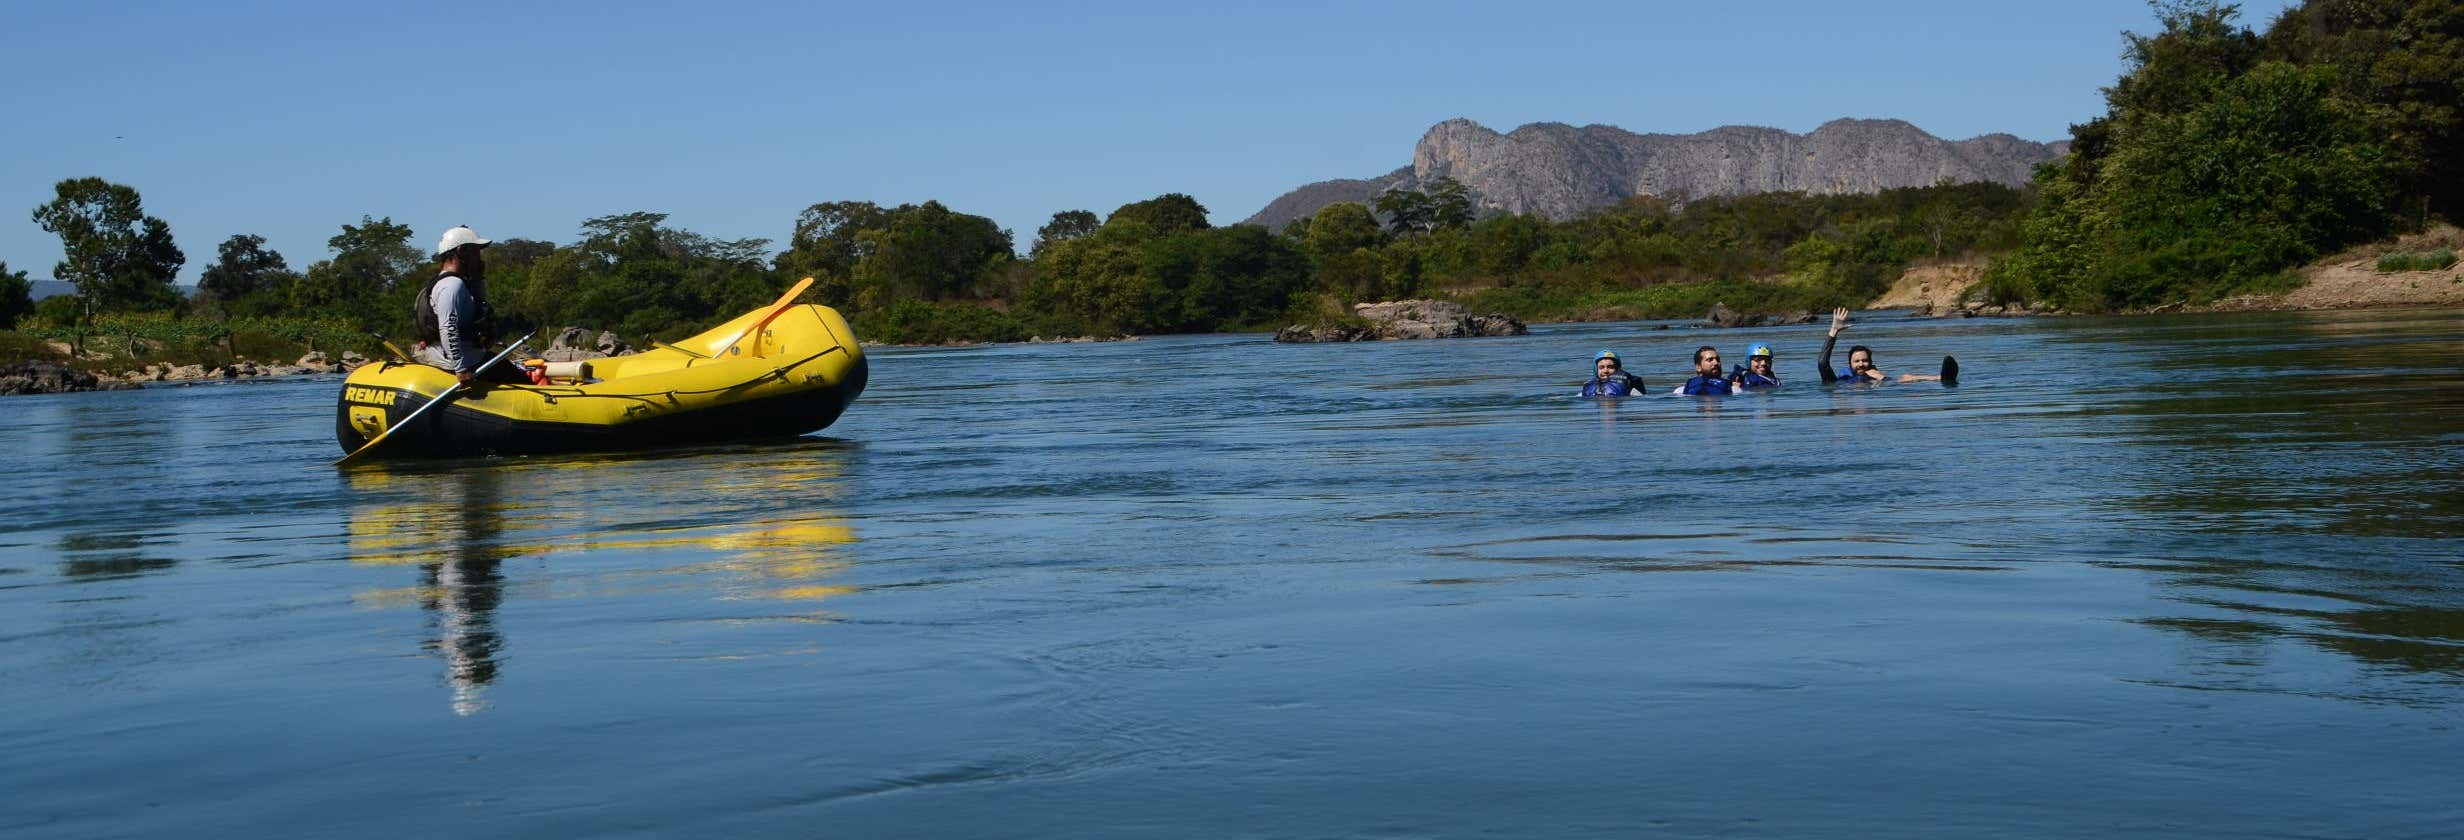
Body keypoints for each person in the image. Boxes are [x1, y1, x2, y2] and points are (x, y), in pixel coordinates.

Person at [414, 226, 525, 384]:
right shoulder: (452, 285)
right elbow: (448, 327)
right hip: (463, 360)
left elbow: (480, 306)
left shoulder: (460, 283)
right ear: (461, 251)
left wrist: (478, 278)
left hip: (468, 354)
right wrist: (461, 369)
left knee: (503, 366)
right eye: (475, 252)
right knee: (518, 379)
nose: (479, 258)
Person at [1818, 307, 1956, 384]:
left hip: (1884, 384)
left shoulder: (1875, 376)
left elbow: (1891, 383)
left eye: (1865, 360)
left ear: (1871, 363)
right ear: (1849, 364)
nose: (1861, 364)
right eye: (1856, 361)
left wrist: (1880, 378)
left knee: (1906, 377)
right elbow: (1822, 363)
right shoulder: (1840, 381)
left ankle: (1941, 378)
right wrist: (1834, 331)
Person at [1674, 346, 1742, 395]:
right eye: (1709, 360)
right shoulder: (1681, 391)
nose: (1716, 363)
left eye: (1717, 360)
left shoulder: (1733, 389)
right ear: (1698, 367)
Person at [1580, 350, 1646, 396]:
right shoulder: (1588, 388)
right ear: (1596, 370)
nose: (1605, 371)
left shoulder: (1628, 388)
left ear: (1618, 369)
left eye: (1610, 367)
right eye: (1601, 367)